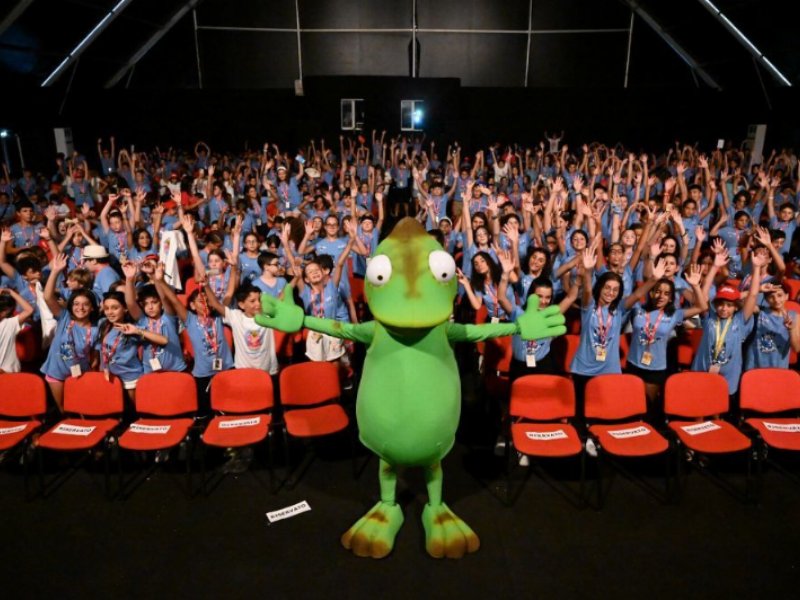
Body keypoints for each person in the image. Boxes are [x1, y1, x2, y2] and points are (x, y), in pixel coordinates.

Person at [624, 262, 708, 416]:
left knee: (646, 407)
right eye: (657, 291)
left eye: (666, 293)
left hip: (655, 368)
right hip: (633, 363)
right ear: (651, 293)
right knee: (629, 405)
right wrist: (652, 278)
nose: (661, 296)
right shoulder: (637, 309)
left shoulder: (674, 314)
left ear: (670, 298)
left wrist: (696, 286)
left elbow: (702, 307)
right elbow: (635, 296)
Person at [691, 247, 764, 403]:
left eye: (729, 305)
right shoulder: (709, 318)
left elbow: (752, 294)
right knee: (699, 405)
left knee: (720, 408)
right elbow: (704, 296)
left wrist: (756, 268)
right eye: (721, 304)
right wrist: (715, 267)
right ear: (716, 305)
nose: (724, 308)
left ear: (736, 307)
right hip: (702, 370)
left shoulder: (740, 320)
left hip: (729, 374)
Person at [40, 253, 100, 411]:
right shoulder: (65, 317)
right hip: (56, 372)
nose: (80, 308)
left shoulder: (95, 329)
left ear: (92, 307)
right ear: (71, 306)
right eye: (76, 304)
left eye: (85, 304)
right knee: (63, 409)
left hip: (81, 374)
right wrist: (55, 271)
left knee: (82, 408)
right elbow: (47, 297)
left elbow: (94, 358)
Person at [0, 287, 35, 373]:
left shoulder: (8, 323)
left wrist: (11, 292)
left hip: (10, 373)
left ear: (4, 312)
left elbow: (29, 310)